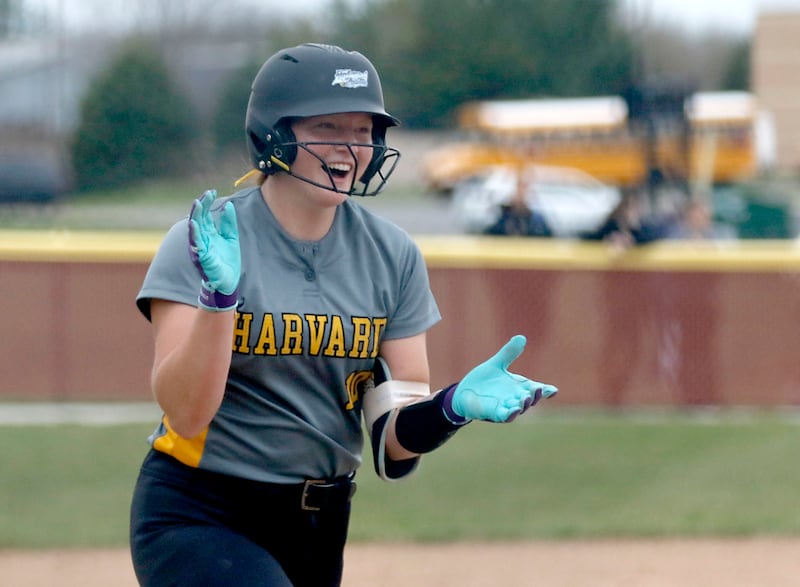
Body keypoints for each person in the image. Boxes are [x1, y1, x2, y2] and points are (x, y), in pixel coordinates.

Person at [129, 43, 558, 587]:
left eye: (364, 131)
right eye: (328, 126)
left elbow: (391, 441)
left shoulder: (392, 254)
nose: (350, 148)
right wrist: (219, 302)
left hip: (319, 521)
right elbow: (186, 414)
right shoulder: (209, 237)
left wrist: (451, 407)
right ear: (274, 134)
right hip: (201, 511)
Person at [484, 170, 552, 236]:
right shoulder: (499, 217)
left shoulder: (537, 220)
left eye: (524, 187)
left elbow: (548, 239)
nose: (520, 192)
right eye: (518, 186)